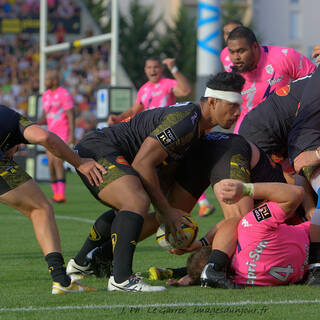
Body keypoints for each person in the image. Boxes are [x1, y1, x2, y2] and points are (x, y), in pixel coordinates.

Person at [65, 72, 245, 292]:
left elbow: (162, 172)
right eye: (233, 105)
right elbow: (143, 164)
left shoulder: (196, 130)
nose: (238, 112)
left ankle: (82, 262)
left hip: (109, 150)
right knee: (134, 201)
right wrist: (168, 212)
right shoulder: (187, 120)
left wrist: (171, 213)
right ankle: (121, 280)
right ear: (214, 101)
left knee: (126, 207)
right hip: (98, 148)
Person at [0, 104, 105, 294]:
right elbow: (45, 137)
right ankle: (61, 281)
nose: (15, 154)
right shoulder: (16, 122)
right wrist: (79, 162)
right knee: (40, 209)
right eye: (16, 151)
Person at [108, 57, 213, 218]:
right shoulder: (144, 89)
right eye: (149, 67)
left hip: (170, 133)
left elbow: (185, 90)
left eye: (156, 67)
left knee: (171, 169)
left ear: (161, 69)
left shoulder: (167, 83)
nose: (152, 70)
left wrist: (174, 68)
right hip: (151, 134)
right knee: (159, 171)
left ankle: (194, 204)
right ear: (145, 70)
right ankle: (166, 206)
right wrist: (119, 117)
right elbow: (136, 108)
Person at [200, 179, 308, 288]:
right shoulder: (250, 226)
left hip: (310, 272)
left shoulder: (242, 279)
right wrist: (246, 189)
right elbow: (296, 194)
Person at [223, 26, 315, 133]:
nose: (236, 57)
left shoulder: (285, 56)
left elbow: (314, 84)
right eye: (232, 52)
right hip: (249, 129)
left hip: (287, 127)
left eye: (241, 51)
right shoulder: (230, 66)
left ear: (255, 46)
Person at [39, 70, 75, 203]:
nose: (45, 81)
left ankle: (61, 194)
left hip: (62, 133)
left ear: (54, 80)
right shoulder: (46, 96)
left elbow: (71, 115)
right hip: (50, 133)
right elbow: (45, 115)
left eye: (47, 79)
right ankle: (56, 194)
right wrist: (34, 124)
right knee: (50, 165)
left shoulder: (63, 94)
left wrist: (72, 134)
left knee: (58, 162)